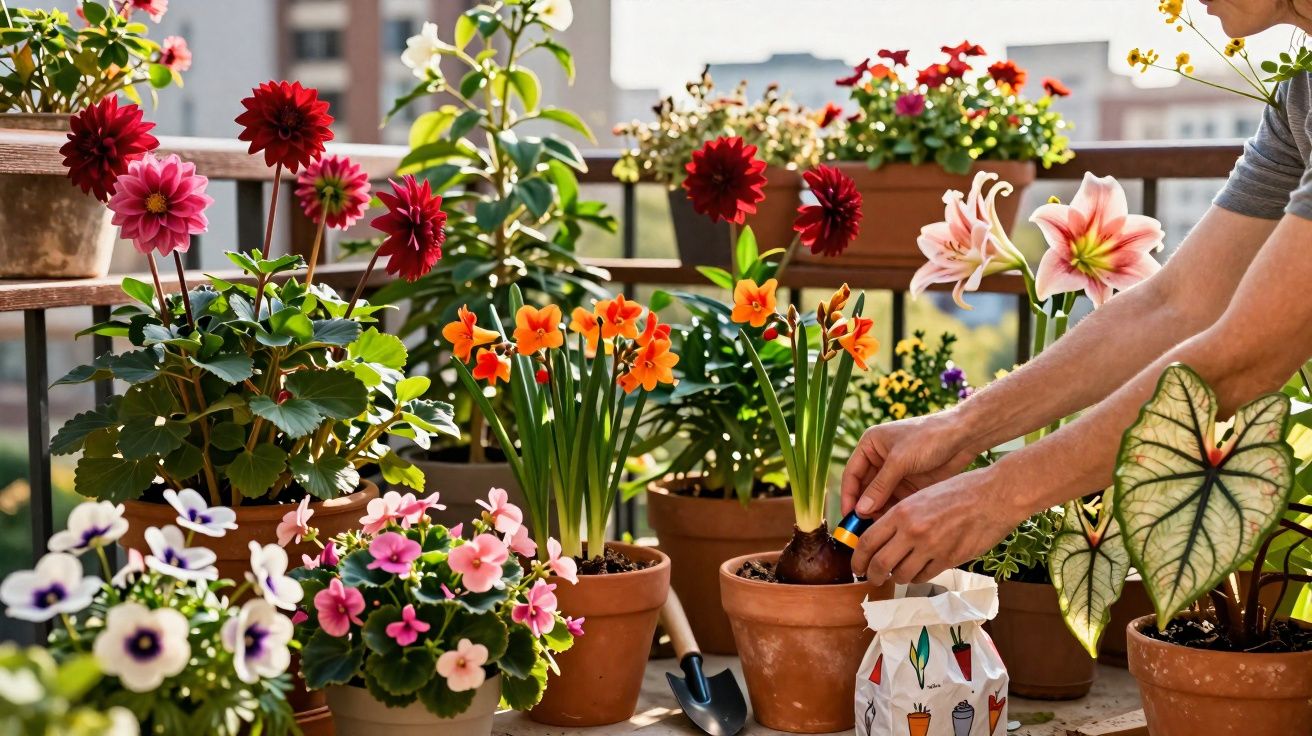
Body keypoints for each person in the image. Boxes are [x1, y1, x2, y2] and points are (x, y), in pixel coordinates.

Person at [841, 0, 1312, 585]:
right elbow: (1176, 305)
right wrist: (960, 428)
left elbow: (1247, 356)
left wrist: (995, 495)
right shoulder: (1302, 96)